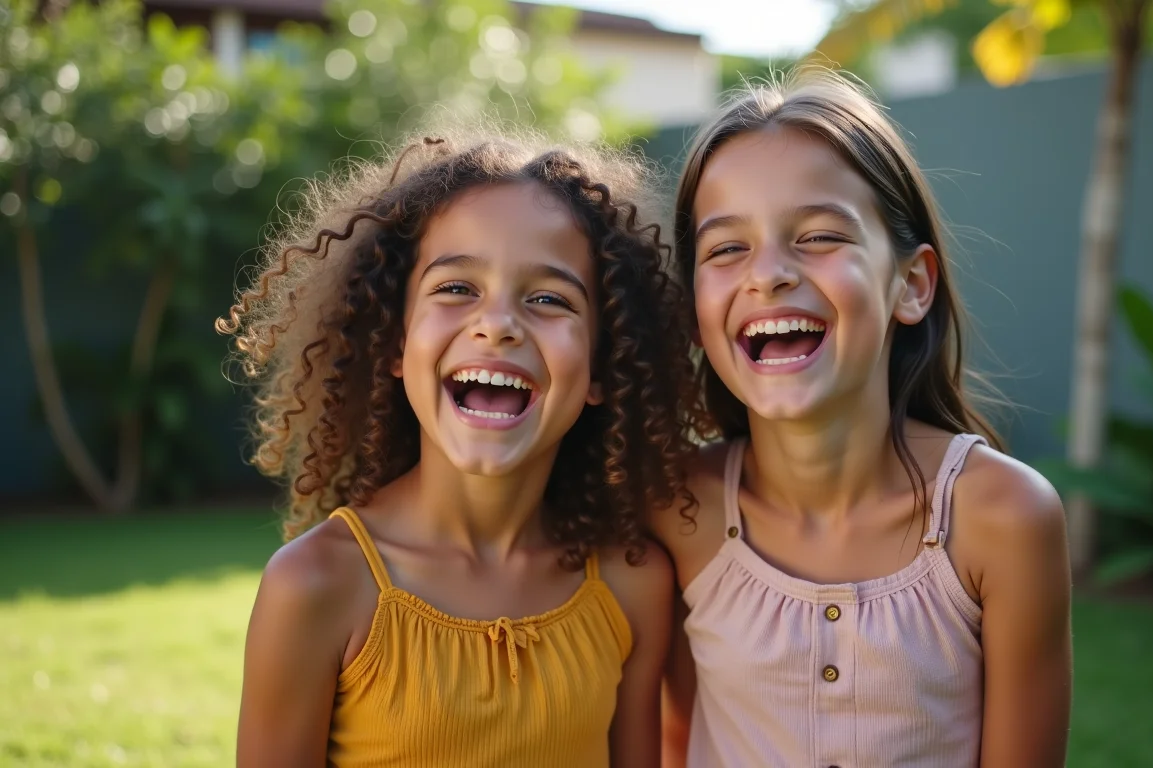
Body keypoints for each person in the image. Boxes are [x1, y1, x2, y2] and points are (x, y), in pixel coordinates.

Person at [220, 126, 700, 767]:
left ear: (602, 368)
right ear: (394, 342)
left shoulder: (631, 584)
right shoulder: (318, 585)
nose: (497, 324)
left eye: (549, 299)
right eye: (456, 288)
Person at [654, 69, 1073, 767]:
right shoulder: (674, 512)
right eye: (726, 248)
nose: (769, 274)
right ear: (695, 313)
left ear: (911, 285)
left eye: (818, 236)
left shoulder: (1005, 518)